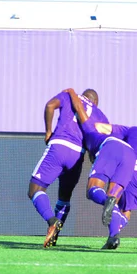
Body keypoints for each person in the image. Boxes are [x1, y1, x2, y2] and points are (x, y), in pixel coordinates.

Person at [28, 88, 109, 248]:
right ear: (95, 102)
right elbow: (98, 141)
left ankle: (52, 221)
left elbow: (50, 106)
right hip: (78, 156)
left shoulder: (68, 96)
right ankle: (54, 237)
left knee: (35, 190)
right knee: (64, 198)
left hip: (60, 147)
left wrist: (48, 132)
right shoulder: (100, 115)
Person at [65, 88, 137, 231]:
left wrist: (71, 93)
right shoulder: (104, 120)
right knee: (114, 199)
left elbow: (79, 109)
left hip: (109, 147)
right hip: (130, 153)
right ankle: (113, 237)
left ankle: (106, 200)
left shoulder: (90, 128)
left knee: (93, 190)